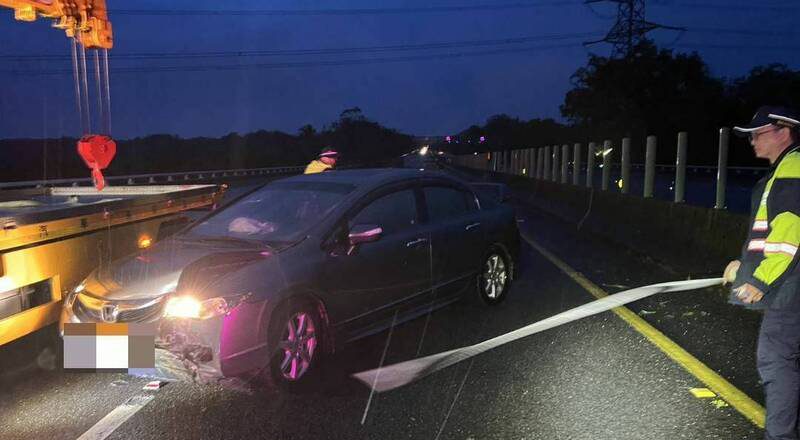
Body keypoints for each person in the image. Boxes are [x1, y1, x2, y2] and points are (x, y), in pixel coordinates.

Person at [724, 105, 800, 440]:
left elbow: (789, 232)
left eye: (758, 133)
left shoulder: (793, 167)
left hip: (790, 284)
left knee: (775, 358)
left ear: (784, 131)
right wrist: (745, 266)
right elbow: (771, 233)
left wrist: (759, 280)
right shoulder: (785, 168)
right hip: (790, 278)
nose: (752, 140)